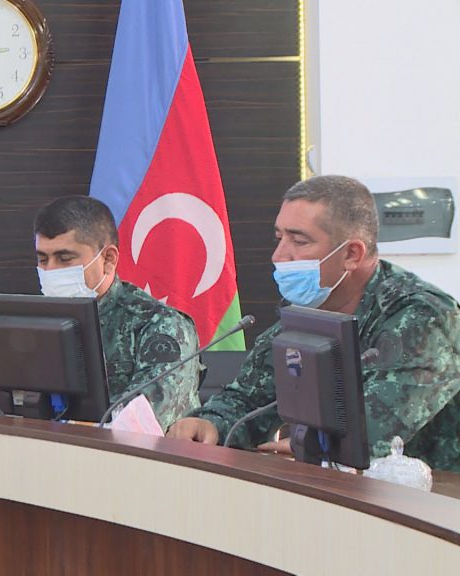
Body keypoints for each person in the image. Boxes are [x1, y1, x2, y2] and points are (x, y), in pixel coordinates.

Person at [167, 175, 460, 471]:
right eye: (279, 238)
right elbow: (250, 398)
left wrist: (302, 443)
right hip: (341, 489)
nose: (279, 256)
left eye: (299, 241)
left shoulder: (424, 316)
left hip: (434, 493)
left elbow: (371, 431)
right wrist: (210, 423)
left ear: (351, 254)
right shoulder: (309, 307)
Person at [0, 195, 201, 428]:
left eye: (64, 258)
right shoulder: (28, 321)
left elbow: (141, 419)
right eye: (43, 259)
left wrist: (34, 407)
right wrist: (27, 403)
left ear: (108, 258)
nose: (50, 270)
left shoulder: (159, 325)